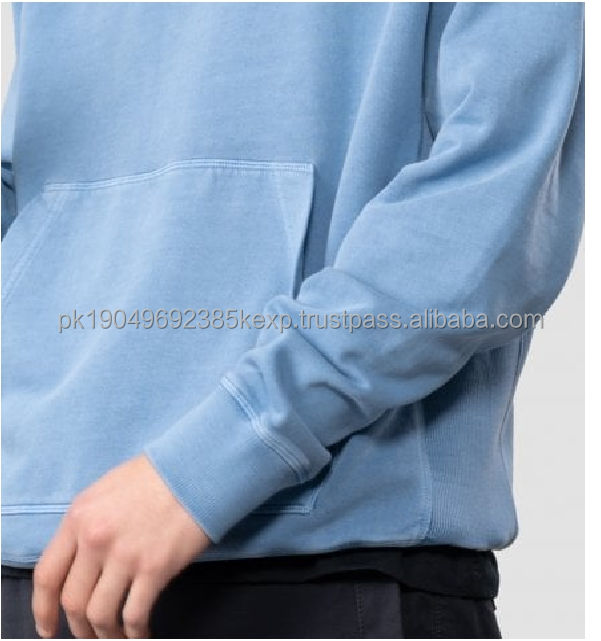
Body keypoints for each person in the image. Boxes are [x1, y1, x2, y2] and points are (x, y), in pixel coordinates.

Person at [1, 2, 584, 638]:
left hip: (328, 552)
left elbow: (494, 196)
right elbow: (38, 187)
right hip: (39, 539)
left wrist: (223, 452)